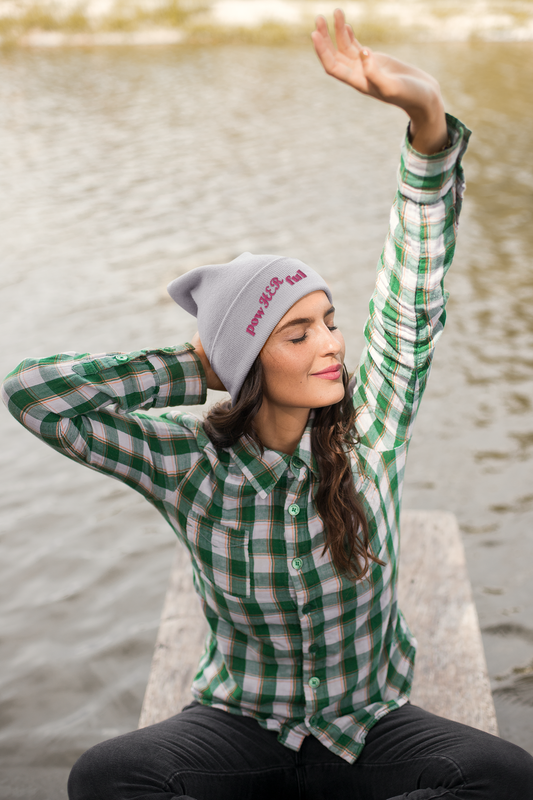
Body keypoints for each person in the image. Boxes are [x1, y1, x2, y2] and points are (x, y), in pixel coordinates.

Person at [3, 9, 533, 800]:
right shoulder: (188, 465)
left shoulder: (372, 427)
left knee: (503, 777)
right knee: (105, 779)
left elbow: (410, 286)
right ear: (246, 361)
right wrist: (195, 367)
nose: (329, 344)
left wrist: (425, 122)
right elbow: (34, 396)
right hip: (244, 728)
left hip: (369, 729)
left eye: (327, 321)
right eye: (295, 334)